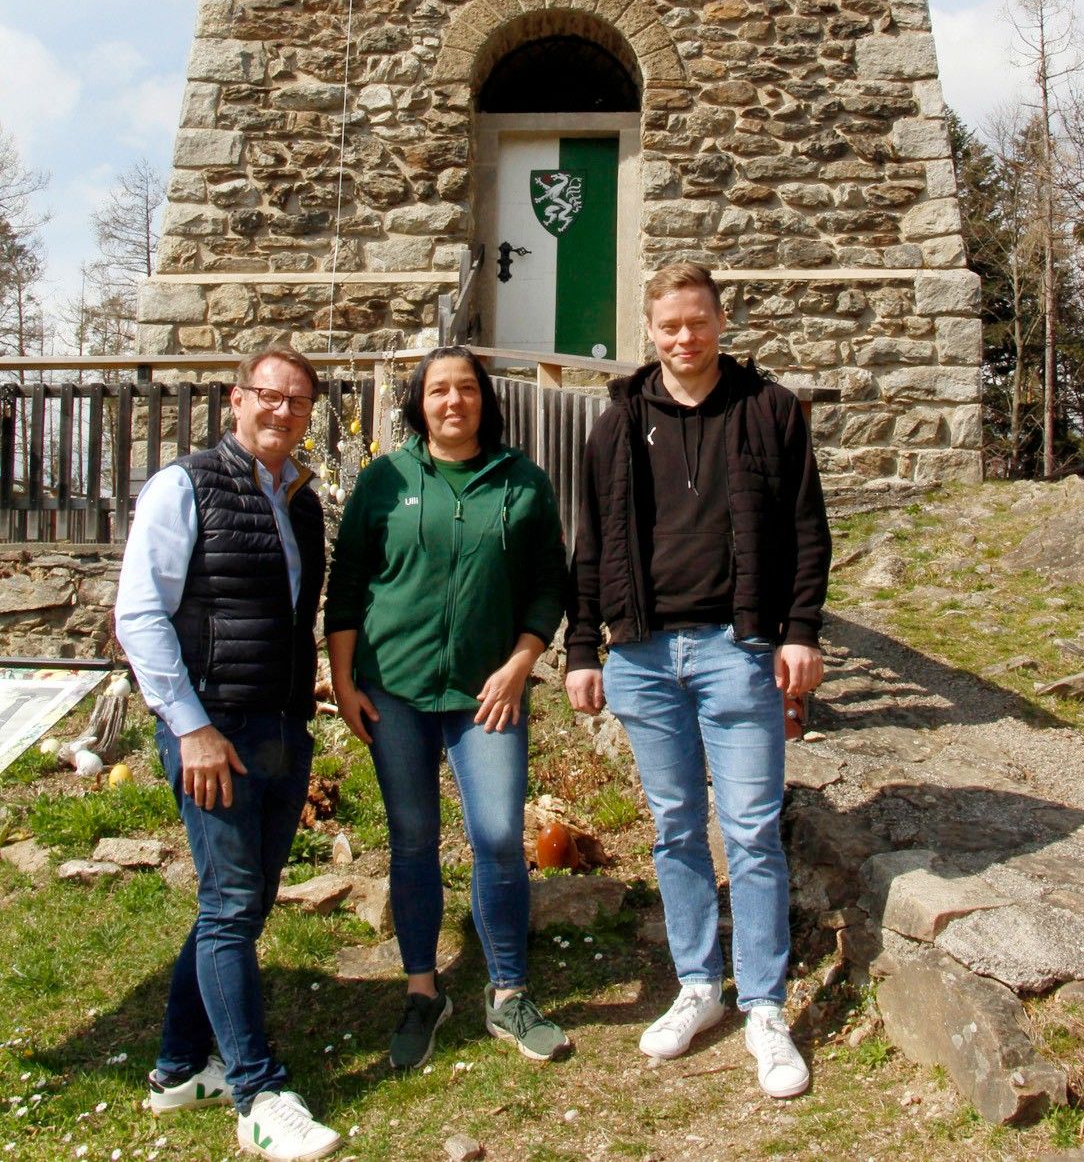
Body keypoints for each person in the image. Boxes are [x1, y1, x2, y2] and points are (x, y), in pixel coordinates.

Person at [565, 263, 830, 1099]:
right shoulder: (614, 423)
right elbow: (590, 544)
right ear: (650, 330)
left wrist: (801, 632)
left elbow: (805, 529)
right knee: (676, 827)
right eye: (669, 325)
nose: (685, 338)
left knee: (750, 829)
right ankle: (695, 986)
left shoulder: (769, 411)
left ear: (722, 321)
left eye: (698, 322)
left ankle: (763, 1006)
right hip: (642, 657)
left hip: (738, 649)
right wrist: (581, 649)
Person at [115, 346, 340, 1162]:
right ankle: (256, 1091)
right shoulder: (183, 485)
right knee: (232, 905)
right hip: (214, 736)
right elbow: (140, 615)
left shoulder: (302, 503)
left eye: (299, 402)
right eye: (270, 397)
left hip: (281, 728)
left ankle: (178, 1068)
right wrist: (190, 727)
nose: (283, 413)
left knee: (235, 907)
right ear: (236, 401)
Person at [325, 346, 569, 1073]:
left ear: (484, 400)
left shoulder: (521, 482)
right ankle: (423, 990)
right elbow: (347, 585)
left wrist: (521, 663)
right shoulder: (385, 479)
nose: (453, 401)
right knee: (411, 839)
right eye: (438, 391)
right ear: (418, 403)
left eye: (466, 389)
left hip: (486, 693)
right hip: (393, 688)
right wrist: (341, 682)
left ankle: (508, 992)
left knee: (496, 835)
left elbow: (548, 586)